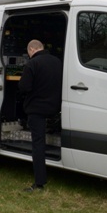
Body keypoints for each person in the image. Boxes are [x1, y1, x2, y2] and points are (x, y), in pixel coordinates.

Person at [18, 39, 63, 192]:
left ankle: (39, 182)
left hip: (36, 110)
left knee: (38, 145)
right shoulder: (57, 61)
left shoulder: (32, 64)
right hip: (54, 109)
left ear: (31, 49)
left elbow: (24, 87)